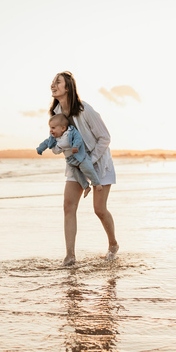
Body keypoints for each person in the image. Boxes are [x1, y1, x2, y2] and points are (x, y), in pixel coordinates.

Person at [48, 71, 118, 264]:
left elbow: (105, 137)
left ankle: (113, 244)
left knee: (99, 209)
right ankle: (70, 255)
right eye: (52, 82)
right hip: (75, 165)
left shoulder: (85, 110)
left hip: (100, 163)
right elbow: (60, 143)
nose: (53, 85)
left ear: (68, 87)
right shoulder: (56, 114)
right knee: (68, 206)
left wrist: (91, 161)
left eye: (58, 82)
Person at [36, 113, 103, 198]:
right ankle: (86, 187)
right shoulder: (54, 137)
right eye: (50, 128)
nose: (51, 130)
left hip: (80, 156)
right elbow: (46, 142)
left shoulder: (71, 132)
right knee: (76, 175)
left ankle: (97, 183)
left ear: (63, 128)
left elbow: (78, 139)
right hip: (70, 160)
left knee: (87, 168)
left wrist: (75, 146)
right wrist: (40, 149)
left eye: (53, 128)